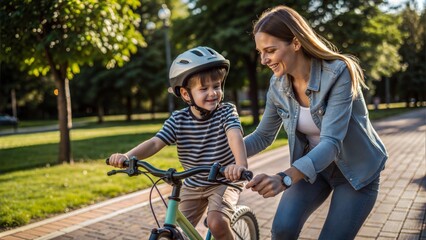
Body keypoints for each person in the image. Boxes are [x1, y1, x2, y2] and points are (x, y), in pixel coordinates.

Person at [244, 5, 388, 240]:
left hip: (356, 172)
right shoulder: (277, 85)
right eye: (260, 52)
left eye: (270, 50)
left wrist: (284, 178)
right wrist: (220, 153)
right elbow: (262, 136)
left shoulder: (339, 73)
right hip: (314, 170)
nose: (263, 60)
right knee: (282, 229)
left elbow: (331, 144)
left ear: (296, 43)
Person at [108, 46, 247, 240]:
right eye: (204, 88)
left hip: (223, 180)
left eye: (217, 86)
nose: (213, 93)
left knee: (217, 223)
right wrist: (127, 156)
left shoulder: (226, 112)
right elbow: (156, 142)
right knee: (174, 229)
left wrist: (239, 165)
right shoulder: (178, 119)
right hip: (193, 184)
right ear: (185, 94)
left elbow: (234, 135)